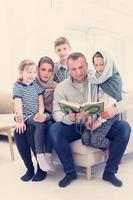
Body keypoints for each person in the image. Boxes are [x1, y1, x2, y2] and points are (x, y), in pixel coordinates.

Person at [50, 52, 131, 188]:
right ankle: (70, 172)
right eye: (74, 69)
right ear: (68, 69)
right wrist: (70, 118)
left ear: (87, 65)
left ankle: (110, 172)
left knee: (124, 128)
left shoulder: (99, 77)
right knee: (55, 129)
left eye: (81, 67)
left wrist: (114, 109)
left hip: (97, 123)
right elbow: (56, 112)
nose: (78, 72)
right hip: (75, 126)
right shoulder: (61, 87)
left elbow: (122, 98)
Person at [14, 57, 56, 182]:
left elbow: (57, 111)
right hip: (30, 117)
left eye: (49, 70)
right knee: (19, 132)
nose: (45, 73)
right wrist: (19, 119)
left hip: (48, 118)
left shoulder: (56, 87)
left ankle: (41, 166)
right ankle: (29, 168)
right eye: (42, 69)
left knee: (34, 129)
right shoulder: (30, 83)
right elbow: (18, 103)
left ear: (53, 72)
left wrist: (44, 115)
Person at [82, 50, 123, 149]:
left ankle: (114, 147)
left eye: (102, 64)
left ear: (108, 64)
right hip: (96, 113)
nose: (99, 68)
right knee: (85, 139)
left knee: (95, 140)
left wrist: (99, 121)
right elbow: (90, 100)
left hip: (108, 115)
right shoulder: (94, 78)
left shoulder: (115, 80)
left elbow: (111, 104)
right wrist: (90, 118)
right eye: (96, 65)